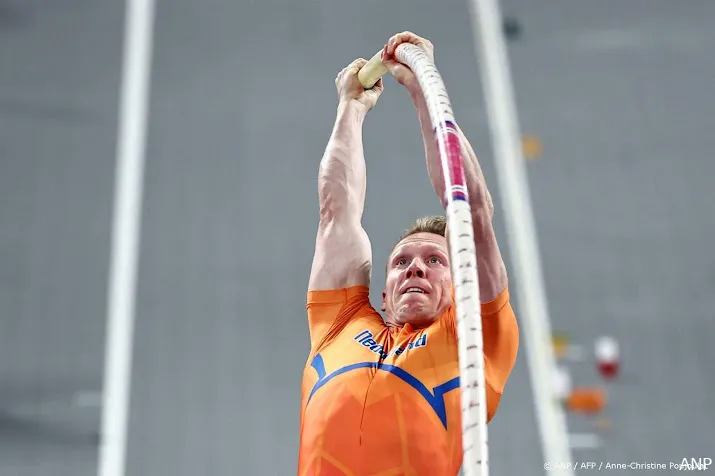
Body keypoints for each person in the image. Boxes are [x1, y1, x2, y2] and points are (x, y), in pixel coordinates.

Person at [298, 31, 519, 476]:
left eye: (435, 261)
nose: (416, 265)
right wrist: (351, 108)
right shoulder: (338, 325)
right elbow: (335, 211)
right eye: (402, 262)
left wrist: (422, 90)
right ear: (383, 295)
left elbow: (472, 208)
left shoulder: (473, 338)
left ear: (463, 289)